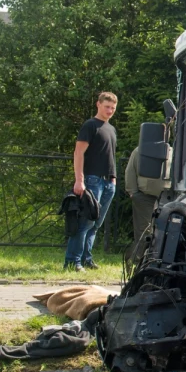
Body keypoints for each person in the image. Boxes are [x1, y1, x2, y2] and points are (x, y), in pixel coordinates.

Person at [65, 92, 118, 272]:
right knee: (86, 222)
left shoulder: (110, 129)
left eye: (113, 108)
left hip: (108, 182)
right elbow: (78, 153)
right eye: (107, 107)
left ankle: (86, 258)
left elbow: (110, 156)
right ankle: (73, 261)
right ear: (98, 105)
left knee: (96, 224)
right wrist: (79, 180)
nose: (110, 110)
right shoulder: (90, 125)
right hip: (92, 180)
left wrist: (114, 179)